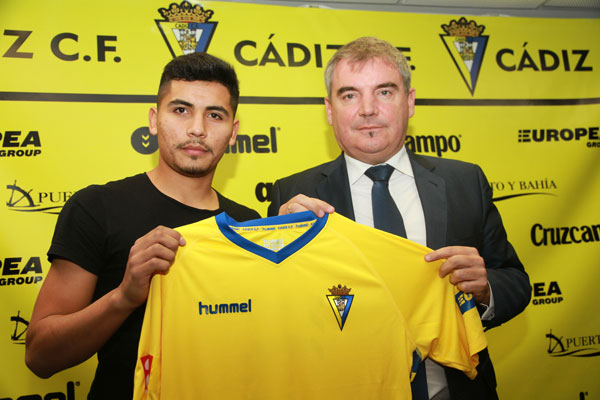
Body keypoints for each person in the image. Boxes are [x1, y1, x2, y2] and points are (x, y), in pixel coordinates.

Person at [268, 37, 531, 400]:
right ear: (329, 110)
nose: (367, 109)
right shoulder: (293, 197)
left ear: (409, 101)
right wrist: (279, 244)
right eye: (349, 95)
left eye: (385, 92)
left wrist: (485, 290)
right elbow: (276, 317)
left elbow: (515, 280)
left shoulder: (465, 182)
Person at [25, 52, 260, 399]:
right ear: (153, 120)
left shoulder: (251, 226)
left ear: (233, 132)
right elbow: (40, 356)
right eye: (180, 110)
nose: (197, 128)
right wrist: (123, 296)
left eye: (215, 115)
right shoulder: (97, 208)